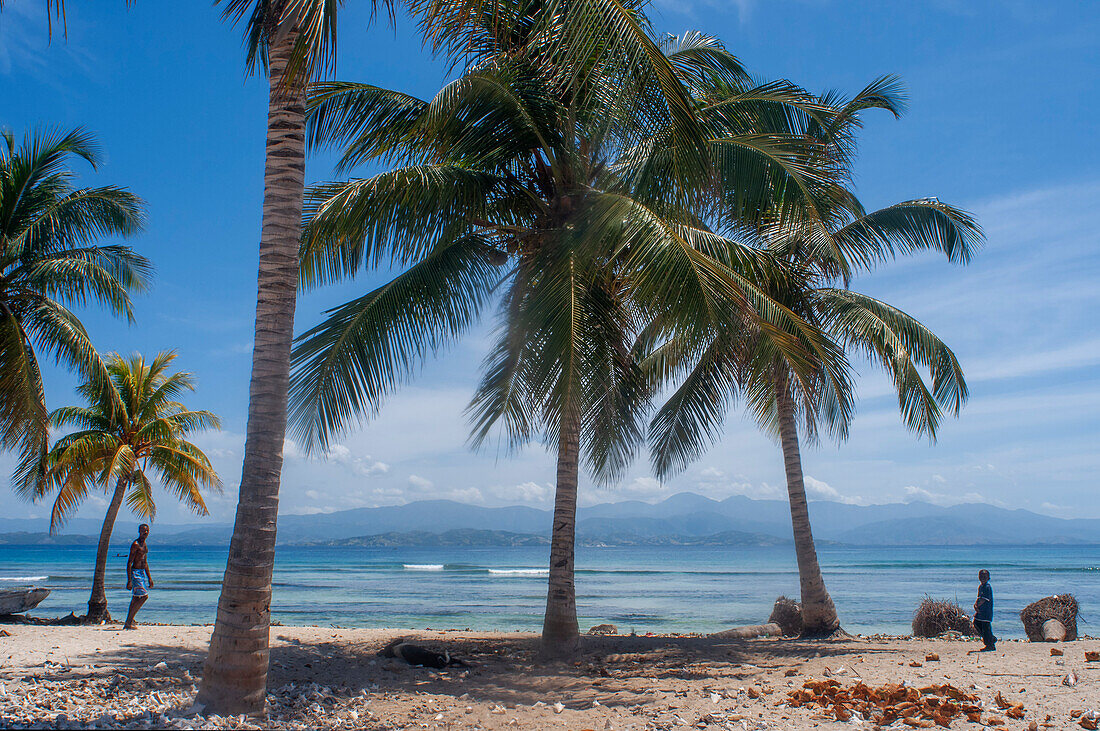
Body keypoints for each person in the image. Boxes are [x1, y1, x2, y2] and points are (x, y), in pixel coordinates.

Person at [124, 524, 153, 629]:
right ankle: (129, 621)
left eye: (147, 531)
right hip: (136, 573)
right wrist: (129, 580)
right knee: (143, 597)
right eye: (143, 531)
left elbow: (145, 562)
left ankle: (129, 622)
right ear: (139, 531)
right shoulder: (135, 544)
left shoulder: (144, 545)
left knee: (135, 599)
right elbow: (129, 563)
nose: (145, 533)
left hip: (142, 573)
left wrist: (149, 577)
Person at [973, 569, 995, 651]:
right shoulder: (981, 587)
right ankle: (991, 638)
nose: (983, 578)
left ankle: (990, 644)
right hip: (980, 611)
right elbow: (979, 598)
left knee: (986, 627)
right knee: (976, 623)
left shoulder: (987, 587)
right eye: (981, 576)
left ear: (988, 578)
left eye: (985, 576)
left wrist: (978, 605)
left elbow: (984, 599)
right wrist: (975, 605)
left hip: (986, 611)